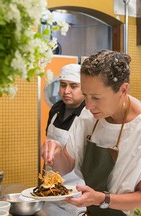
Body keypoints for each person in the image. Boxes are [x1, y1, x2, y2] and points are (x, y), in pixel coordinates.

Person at [42, 50, 141, 216]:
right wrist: (56, 153)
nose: (89, 105)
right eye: (85, 95)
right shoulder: (88, 116)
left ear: (123, 90)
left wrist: (101, 199)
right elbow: (66, 166)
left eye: (97, 98)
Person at [45, 63, 86, 215]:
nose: (66, 91)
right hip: (50, 188)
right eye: (63, 85)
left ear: (84, 88)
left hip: (76, 190)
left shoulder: (88, 113)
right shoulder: (56, 109)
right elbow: (49, 149)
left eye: (73, 86)